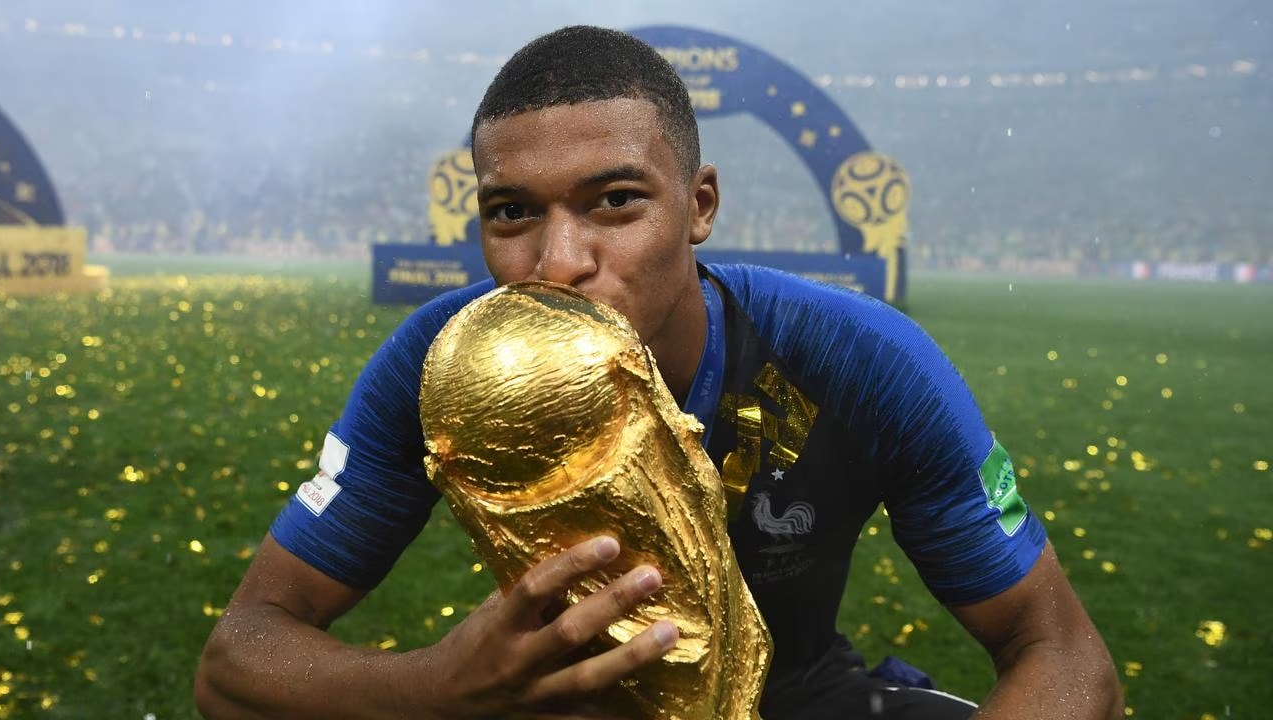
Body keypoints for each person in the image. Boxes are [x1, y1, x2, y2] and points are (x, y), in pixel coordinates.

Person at [195, 25, 1122, 719]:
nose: (559, 262)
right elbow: (237, 661)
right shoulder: (440, 366)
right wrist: (434, 687)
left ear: (699, 204)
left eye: (615, 200)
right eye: (512, 212)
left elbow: (1066, 657)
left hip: (802, 696)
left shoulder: (857, 358)